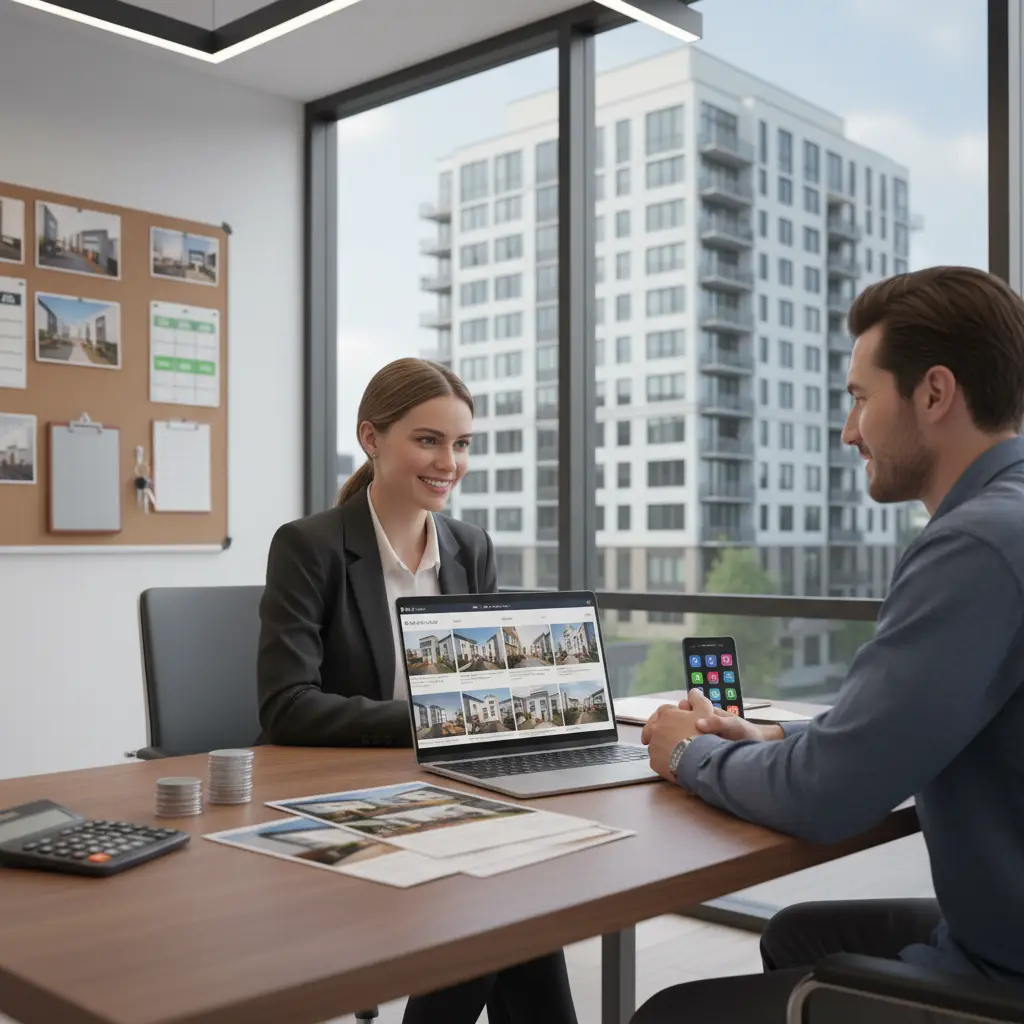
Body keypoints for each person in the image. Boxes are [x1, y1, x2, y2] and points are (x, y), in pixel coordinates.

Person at [636, 266, 1024, 1022]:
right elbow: (923, 726)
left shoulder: (977, 545)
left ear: (935, 393)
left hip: (1004, 973)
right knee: (797, 932)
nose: (850, 431)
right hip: (1001, 931)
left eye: (859, 398)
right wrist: (771, 735)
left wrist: (688, 752)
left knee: (669, 1014)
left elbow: (826, 796)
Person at [257, 357, 577, 1024]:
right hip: (340, 793)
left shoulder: (470, 547)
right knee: (499, 907)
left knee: (513, 901)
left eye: (461, 445)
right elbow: (286, 707)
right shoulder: (309, 547)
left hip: (447, 790)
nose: (449, 462)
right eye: (428, 440)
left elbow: (488, 685)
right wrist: (435, 721)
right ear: (371, 438)